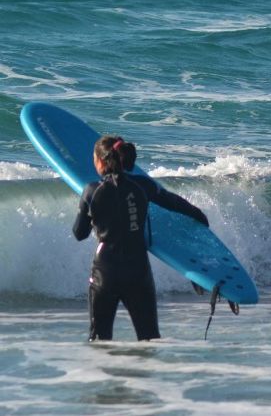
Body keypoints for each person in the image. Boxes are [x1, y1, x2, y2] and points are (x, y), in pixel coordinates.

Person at [72, 135, 209, 342]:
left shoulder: (91, 190)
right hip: (137, 270)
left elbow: (79, 234)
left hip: (104, 272)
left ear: (100, 161)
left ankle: (103, 374)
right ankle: (146, 373)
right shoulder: (143, 186)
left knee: (99, 339)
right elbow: (177, 204)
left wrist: (91, 213)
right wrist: (201, 218)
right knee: (149, 337)